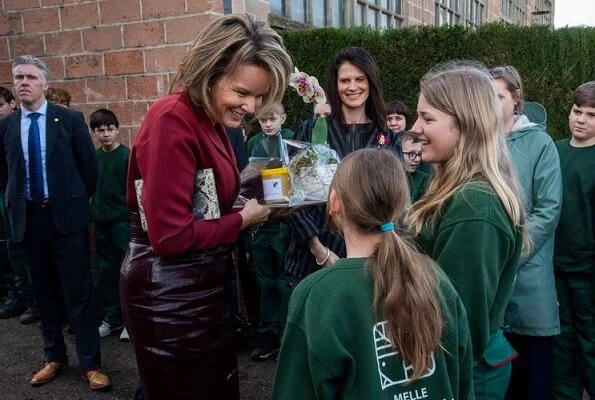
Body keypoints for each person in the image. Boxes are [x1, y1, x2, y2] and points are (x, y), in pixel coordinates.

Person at [120, 14, 293, 400]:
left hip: (202, 286)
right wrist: (243, 218)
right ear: (209, 72)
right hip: (170, 297)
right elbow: (170, 236)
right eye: (242, 92)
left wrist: (265, 203)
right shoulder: (172, 119)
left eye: (261, 96)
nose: (252, 106)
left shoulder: (211, 119)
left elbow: (206, 199)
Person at [273, 148, 473, 399]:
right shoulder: (436, 279)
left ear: (334, 203)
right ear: (401, 206)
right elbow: (462, 381)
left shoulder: (316, 296)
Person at [405, 62, 526, 400]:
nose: (415, 128)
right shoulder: (451, 186)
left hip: (464, 375)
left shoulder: (475, 205)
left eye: (428, 118)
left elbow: (459, 323)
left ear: (465, 124)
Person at [0, 55, 109, 390]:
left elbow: (90, 171)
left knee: (78, 293)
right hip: (30, 220)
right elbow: (4, 175)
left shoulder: (69, 120)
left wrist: (73, 201)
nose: (23, 82)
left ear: (45, 84)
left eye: (31, 77)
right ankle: (54, 357)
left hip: (67, 220)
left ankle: (91, 364)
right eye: (18, 77)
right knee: (43, 292)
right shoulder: (6, 126)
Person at [283, 46, 401, 331]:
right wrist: (320, 251)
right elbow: (292, 195)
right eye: (345, 80)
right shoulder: (313, 130)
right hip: (312, 256)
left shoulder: (386, 137)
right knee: (314, 337)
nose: (353, 87)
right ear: (334, 86)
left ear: (370, 82)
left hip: (369, 264)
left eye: (360, 79)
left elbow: (391, 202)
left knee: (359, 341)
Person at [489, 65, 563, 400]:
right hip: (489, 283)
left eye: (499, 95)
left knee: (532, 383)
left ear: (516, 100)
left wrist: (511, 255)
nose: (492, 102)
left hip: (528, 281)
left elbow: (548, 210)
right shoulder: (478, 141)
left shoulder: (539, 143)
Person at [552, 81, 595, 400]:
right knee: (562, 340)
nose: (580, 119)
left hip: (588, 271)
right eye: (576, 111)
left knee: (590, 339)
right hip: (554, 268)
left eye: (591, 115)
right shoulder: (555, 150)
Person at [246, 103, 294, 361]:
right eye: (263, 120)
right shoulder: (254, 141)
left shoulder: (290, 138)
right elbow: (246, 175)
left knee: (285, 281)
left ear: (282, 119)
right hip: (260, 222)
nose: (268, 124)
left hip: (283, 223)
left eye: (272, 119)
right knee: (265, 282)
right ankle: (267, 337)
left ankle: (287, 336)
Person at [88, 108, 130, 339]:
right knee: (106, 272)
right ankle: (111, 318)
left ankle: (129, 321)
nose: (105, 134)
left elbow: (134, 190)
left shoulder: (126, 156)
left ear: (117, 129)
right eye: (100, 130)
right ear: (94, 132)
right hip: (101, 222)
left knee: (126, 271)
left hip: (122, 223)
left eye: (110, 129)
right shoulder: (95, 157)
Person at [0, 86, 38, 324]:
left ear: (12, 103)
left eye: (0, 105)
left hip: (22, 194)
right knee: (8, 245)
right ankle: (18, 293)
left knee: (24, 246)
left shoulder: (20, 128)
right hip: (6, 191)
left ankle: (34, 299)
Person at [401, 132, 430, 202]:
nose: (417, 159)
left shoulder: (424, 181)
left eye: (419, 154)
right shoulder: (385, 178)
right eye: (411, 154)